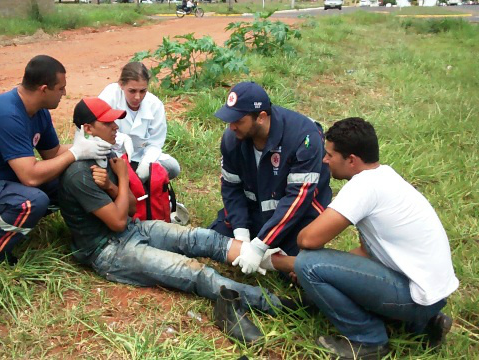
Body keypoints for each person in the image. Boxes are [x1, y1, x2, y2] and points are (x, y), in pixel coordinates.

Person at [58, 97, 295, 344]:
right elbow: (117, 222)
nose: (116, 127)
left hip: (130, 229)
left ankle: (273, 262)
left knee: (202, 237)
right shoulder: (79, 174)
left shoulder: (103, 156)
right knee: (195, 273)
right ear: (88, 129)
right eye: (108, 123)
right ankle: (274, 302)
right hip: (106, 250)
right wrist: (122, 177)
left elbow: (129, 208)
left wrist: (111, 184)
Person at [288, 117, 458, 359]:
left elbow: (308, 240)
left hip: (417, 296)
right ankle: (423, 325)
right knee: (317, 267)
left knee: (307, 263)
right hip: (433, 293)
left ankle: (368, 340)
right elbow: (367, 253)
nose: (325, 160)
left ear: (352, 160)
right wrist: (331, 272)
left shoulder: (363, 186)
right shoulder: (385, 177)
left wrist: (302, 266)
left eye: (330, 155)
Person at [0, 55, 111, 265]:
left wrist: (90, 148)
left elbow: (52, 154)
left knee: (72, 176)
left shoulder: (39, 112)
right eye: (60, 88)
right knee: (31, 201)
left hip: (7, 181)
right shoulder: (6, 113)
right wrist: (76, 153)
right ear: (44, 89)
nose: (65, 93)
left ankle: (88, 234)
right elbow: (31, 177)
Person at [209, 82, 332, 275]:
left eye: (238, 120)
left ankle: (282, 258)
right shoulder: (232, 138)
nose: (231, 127)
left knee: (298, 268)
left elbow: (297, 199)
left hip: (296, 218)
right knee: (216, 240)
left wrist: (259, 246)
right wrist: (242, 236)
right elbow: (231, 188)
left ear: (261, 117)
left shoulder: (304, 138)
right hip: (255, 211)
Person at [98, 62, 180, 182]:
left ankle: (138, 185)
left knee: (172, 167)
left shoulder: (155, 105)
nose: (137, 97)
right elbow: (97, 128)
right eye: (132, 91)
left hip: (139, 156)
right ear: (121, 85)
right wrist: (121, 140)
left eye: (143, 91)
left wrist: (146, 164)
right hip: (111, 154)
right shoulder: (110, 95)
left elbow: (155, 143)